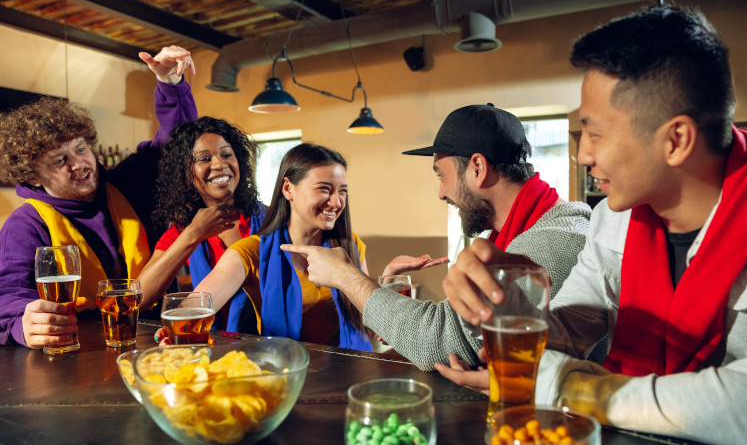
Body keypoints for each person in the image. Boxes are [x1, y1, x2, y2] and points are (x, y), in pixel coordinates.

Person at [438, 5, 747, 445]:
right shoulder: (614, 215)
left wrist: (566, 386)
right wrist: (509, 300)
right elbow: (576, 323)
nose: (582, 155)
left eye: (594, 133)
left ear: (676, 140)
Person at [282, 104, 591, 369]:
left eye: (441, 175)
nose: (441, 192)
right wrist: (384, 284)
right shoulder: (521, 232)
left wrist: (345, 276)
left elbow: (438, 339)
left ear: (478, 168)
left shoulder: (550, 242)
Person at [0, 46, 198, 349]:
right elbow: (9, 295)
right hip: (80, 349)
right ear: (32, 176)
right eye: (60, 160)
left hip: (157, 338)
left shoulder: (127, 183)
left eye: (80, 149)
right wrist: (22, 322)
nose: (79, 163)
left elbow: (176, 145)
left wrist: (170, 84)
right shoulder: (26, 224)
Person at [185, 143, 373, 350]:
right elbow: (191, 310)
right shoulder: (251, 251)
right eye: (324, 189)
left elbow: (369, 325)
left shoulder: (351, 244)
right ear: (287, 189)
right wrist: (175, 329)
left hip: (351, 372)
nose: (336, 202)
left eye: (343, 191)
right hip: (286, 375)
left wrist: (385, 289)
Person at [136, 116, 265, 332]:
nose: (220, 164)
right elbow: (140, 298)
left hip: (270, 345)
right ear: (187, 174)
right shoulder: (183, 230)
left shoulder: (269, 220)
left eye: (226, 154)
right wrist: (194, 233)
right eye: (204, 159)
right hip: (210, 346)